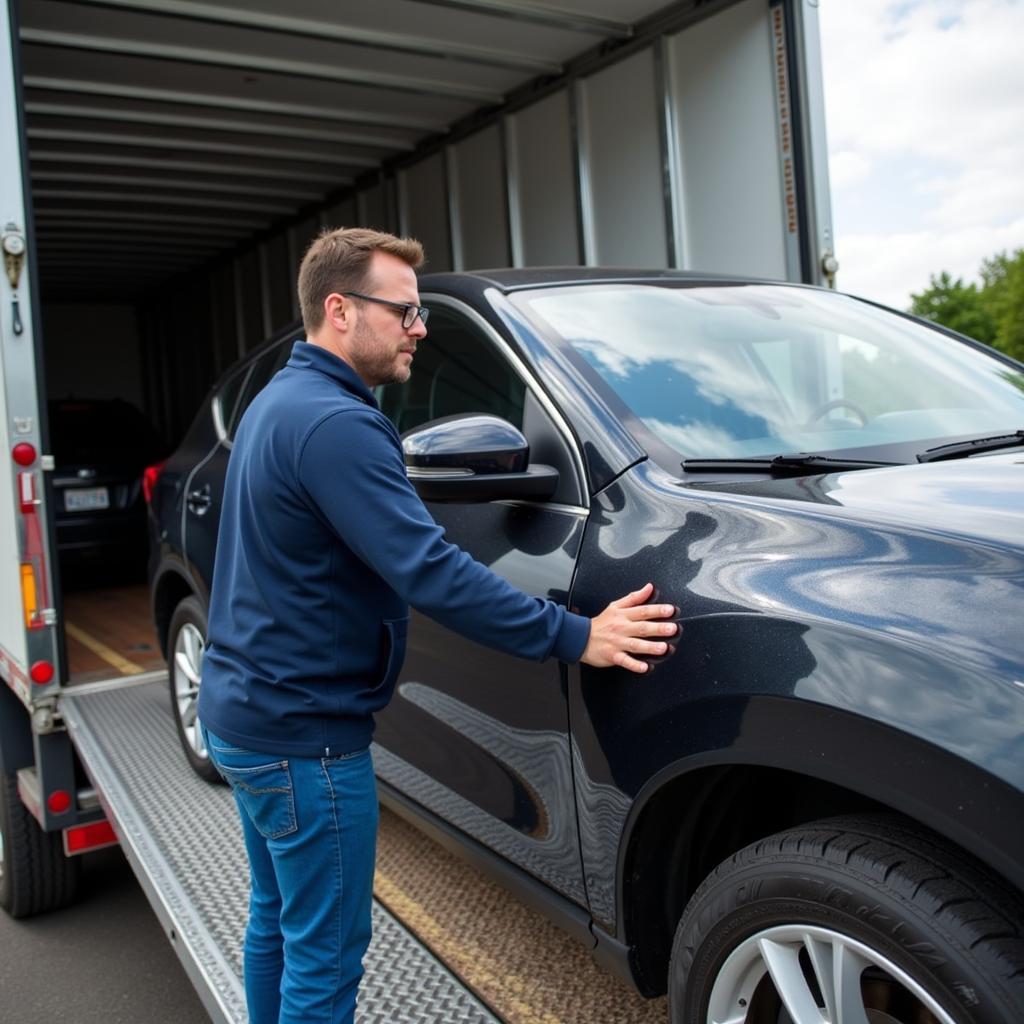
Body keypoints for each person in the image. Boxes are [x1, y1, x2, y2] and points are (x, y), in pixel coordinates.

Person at [196, 227, 679, 1024]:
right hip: (305, 742)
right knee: (324, 957)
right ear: (341, 309)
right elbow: (431, 571)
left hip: (249, 719)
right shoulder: (336, 424)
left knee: (278, 926)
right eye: (406, 311)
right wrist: (577, 635)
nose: (421, 327)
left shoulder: (280, 400)